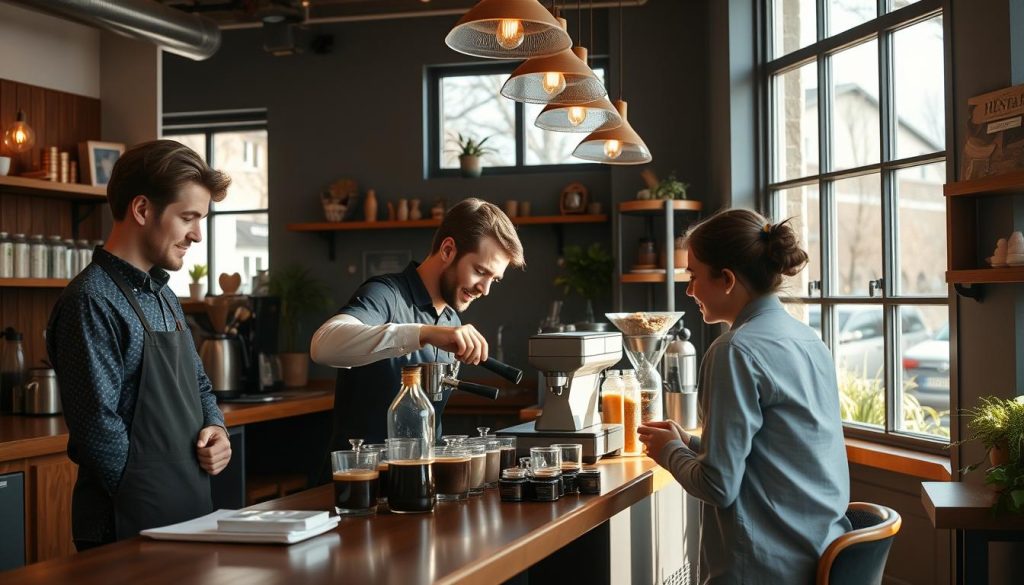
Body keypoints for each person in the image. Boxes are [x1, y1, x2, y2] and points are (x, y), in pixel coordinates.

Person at [638, 209, 851, 585]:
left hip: (762, 570)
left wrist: (668, 452)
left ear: (727, 280)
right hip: (818, 557)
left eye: (693, 276)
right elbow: (773, 452)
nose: (688, 290)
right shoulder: (808, 340)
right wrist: (690, 442)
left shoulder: (733, 350)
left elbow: (717, 487)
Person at [47, 140, 233, 550]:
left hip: (190, 516)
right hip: (129, 527)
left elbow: (198, 386)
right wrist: (153, 503)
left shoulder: (164, 295)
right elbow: (98, 430)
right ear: (143, 209)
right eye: (189, 217)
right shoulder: (90, 301)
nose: (197, 235)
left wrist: (216, 429)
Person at [311, 198, 525, 449]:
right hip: (363, 480)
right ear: (447, 250)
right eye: (480, 271)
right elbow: (322, 345)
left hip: (420, 477)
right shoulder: (385, 294)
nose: (485, 289)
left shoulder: (451, 320)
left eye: (494, 280)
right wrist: (423, 334)